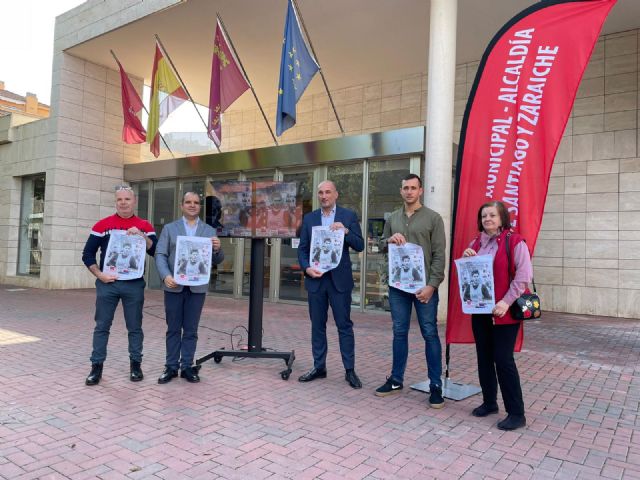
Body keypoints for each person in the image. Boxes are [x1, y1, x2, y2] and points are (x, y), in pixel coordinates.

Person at [375, 173, 446, 409]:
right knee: (399, 332)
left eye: (413, 188)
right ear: (401, 190)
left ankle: (436, 385)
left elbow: (439, 255)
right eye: (405, 188)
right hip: (398, 287)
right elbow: (382, 246)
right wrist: (389, 241)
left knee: (429, 333)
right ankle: (396, 380)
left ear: (421, 191)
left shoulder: (433, 219)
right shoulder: (393, 218)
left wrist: (432, 285)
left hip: (423, 287)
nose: (409, 192)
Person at [462, 200, 532, 431]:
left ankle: (516, 413)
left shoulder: (515, 241)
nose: (487, 219)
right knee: (484, 358)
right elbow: (470, 278)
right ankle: (490, 403)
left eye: (492, 215)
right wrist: (467, 260)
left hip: (505, 312)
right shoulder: (475, 243)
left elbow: (523, 277)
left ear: (502, 218)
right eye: (483, 216)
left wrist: (505, 301)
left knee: (503, 360)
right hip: (481, 312)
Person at [82, 185, 157, 386]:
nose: (123, 202)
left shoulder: (145, 225)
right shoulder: (102, 225)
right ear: (115, 202)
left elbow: (155, 251)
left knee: (135, 327)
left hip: (133, 285)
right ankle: (96, 367)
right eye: (119, 199)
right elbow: (87, 254)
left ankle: (135, 365)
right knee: (102, 326)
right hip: (108, 284)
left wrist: (142, 236)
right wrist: (100, 275)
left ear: (134, 201)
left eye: (127, 199)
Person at [297, 180, 364, 388]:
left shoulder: (348, 216)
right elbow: (302, 249)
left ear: (336, 194)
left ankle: (349, 370)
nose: (324, 196)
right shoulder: (309, 219)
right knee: (317, 326)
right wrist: (307, 268)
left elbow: (360, 244)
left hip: (339, 281)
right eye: (320, 193)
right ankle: (319, 367)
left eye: (328, 192)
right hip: (316, 280)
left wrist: (345, 232)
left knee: (344, 326)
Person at [155, 192, 224, 384]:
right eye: (188, 202)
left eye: (196, 203)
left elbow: (217, 259)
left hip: (197, 288)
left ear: (200, 207)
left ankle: (186, 367)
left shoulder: (209, 230)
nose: (192, 205)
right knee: (173, 328)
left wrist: (218, 248)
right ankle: (170, 367)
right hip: (174, 286)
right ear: (181, 205)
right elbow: (160, 254)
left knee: (191, 329)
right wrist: (165, 276)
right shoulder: (170, 228)